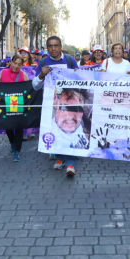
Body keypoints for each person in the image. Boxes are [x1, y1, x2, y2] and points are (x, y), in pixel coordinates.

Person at [33, 36, 79, 176]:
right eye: (50, 46)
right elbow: (34, 86)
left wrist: (77, 75)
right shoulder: (42, 62)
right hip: (50, 104)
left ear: (60, 46)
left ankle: (71, 164)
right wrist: (41, 75)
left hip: (69, 103)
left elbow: (81, 81)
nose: (53, 49)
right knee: (55, 131)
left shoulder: (71, 61)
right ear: (47, 48)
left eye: (56, 46)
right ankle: (60, 159)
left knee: (70, 130)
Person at [0, 53, 30, 161]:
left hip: (18, 104)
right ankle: (12, 143)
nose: (16, 66)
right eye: (15, 63)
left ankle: (17, 151)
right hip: (6, 104)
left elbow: (28, 90)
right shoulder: (3, 72)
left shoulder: (23, 75)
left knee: (19, 128)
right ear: (11, 62)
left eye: (19, 64)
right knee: (9, 127)